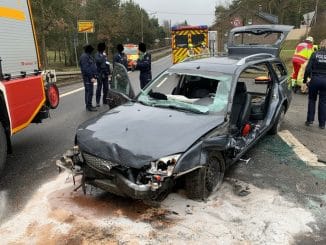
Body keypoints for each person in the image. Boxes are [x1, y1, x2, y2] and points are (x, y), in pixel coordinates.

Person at [303, 39, 326, 129]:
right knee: (323, 102)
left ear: (320, 45)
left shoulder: (315, 54)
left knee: (312, 100)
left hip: (315, 79)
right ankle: (322, 124)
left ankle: (310, 120)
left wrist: (305, 80)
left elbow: (308, 68)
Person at [79, 44, 98, 111]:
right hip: (87, 77)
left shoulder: (88, 56)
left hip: (90, 77)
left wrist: (95, 75)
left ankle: (89, 105)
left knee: (90, 92)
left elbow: (92, 66)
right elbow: (86, 68)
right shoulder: (84, 57)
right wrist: (91, 77)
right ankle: (88, 106)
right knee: (89, 92)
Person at [95, 42, 110, 107]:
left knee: (106, 88)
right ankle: (97, 102)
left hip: (105, 74)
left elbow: (107, 63)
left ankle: (105, 100)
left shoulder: (104, 55)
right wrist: (103, 56)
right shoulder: (97, 55)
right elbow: (99, 61)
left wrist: (109, 72)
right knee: (99, 88)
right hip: (100, 74)